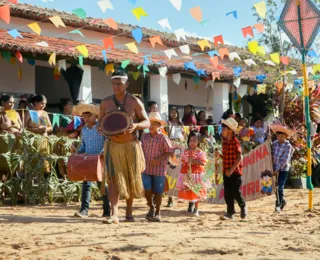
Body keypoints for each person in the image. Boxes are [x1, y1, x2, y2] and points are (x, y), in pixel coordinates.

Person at [99, 70, 150, 224]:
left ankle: (129, 213)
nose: (116, 87)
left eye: (120, 84)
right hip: (113, 146)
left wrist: (136, 125)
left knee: (130, 179)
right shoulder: (105, 102)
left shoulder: (134, 101)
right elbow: (101, 123)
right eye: (114, 84)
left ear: (127, 84)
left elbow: (147, 122)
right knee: (113, 179)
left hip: (130, 146)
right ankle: (114, 214)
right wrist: (100, 128)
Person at [73, 104, 110, 218]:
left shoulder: (102, 127)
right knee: (86, 185)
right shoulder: (84, 130)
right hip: (88, 161)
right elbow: (83, 145)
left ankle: (107, 210)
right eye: (84, 116)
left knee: (102, 186)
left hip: (100, 160)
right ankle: (84, 210)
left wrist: (103, 151)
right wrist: (77, 151)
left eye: (89, 115)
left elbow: (108, 141)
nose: (86, 118)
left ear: (96, 116)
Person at [141, 112, 173, 222]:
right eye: (150, 123)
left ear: (159, 125)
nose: (151, 126)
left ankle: (158, 212)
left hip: (159, 168)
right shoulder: (144, 137)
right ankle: (151, 207)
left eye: (154, 123)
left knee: (158, 191)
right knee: (146, 188)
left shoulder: (163, 138)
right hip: (146, 167)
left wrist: (158, 160)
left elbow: (169, 152)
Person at [215, 118, 247, 220]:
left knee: (235, 191)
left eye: (224, 128)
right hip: (226, 171)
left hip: (235, 172)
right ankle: (230, 212)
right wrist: (219, 155)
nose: (222, 130)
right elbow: (225, 157)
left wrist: (231, 170)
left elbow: (239, 157)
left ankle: (243, 206)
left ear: (230, 130)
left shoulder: (235, 141)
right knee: (227, 193)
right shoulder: (224, 142)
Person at [176, 131, 207, 217]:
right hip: (187, 173)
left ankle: (196, 209)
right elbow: (181, 160)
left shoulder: (200, 152)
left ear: (198, 142)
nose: (192, 143)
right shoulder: (185, 151)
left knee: (197, 191)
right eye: (191, 140)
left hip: (197, 174)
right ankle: (191, 205)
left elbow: (203, 163)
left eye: (194, 140)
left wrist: (193, 161)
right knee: (189, 190)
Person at [269, 124, 294, 212]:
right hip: (274, 168)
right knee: (275, 187)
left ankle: (278, 204)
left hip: (283, 169)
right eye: (278, 136)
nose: (279, 138)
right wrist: (268, 140)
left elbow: (285, 160)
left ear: (286, 136)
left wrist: (277, 170)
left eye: (282, 136)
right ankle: (281, 201)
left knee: (280, 186)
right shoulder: (274, 144)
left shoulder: (288, 146)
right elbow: (269, 151)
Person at [166, 107, 184, 207]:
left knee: (176, 171)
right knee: (170, 171)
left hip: (179, 149)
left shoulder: (181, 123)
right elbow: (168, 136)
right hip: (171, 147)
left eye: (175, 112)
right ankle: (170, 198)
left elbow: (184, 135)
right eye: (171, 112)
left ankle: (175, 195)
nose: (173, 114)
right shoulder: (168, 123)